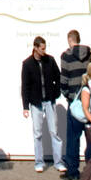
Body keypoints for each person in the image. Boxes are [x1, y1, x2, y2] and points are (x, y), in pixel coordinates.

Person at [21, 36, 66, 172]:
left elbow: (59, 77)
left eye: (45, 48)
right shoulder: (27, 64)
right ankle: (39, 162)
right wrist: (25, 106)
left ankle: (58, 162)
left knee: (54, 131)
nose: (44, 51)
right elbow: (25, 86)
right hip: (36, 102)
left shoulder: (50, 60)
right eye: (42, 48)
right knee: (37, 133)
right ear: (35, 48)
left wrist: (56, 92)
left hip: (49, 100)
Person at [60, 29, 91, 180]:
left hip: (74, 101)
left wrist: (68, 96)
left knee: (73, 137)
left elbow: (64, 80)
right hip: (89, 100)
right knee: (90, 136)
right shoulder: (90, 55)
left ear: (69, 40)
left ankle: (73, 170)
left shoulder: (66, 56)